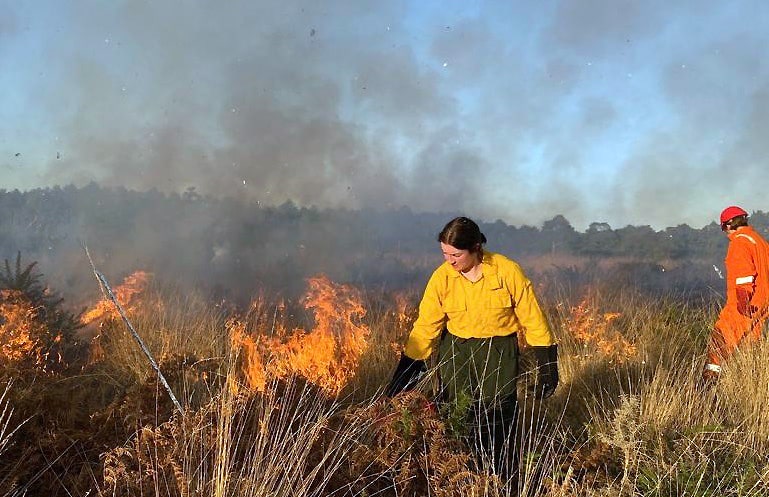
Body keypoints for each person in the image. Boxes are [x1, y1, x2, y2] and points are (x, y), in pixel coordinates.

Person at [385, 216, 558, 476]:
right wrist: (405, 373)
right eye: (444, 253)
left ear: (476, 247)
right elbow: (426, 327)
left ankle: (502, 479)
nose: (449, 260)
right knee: (456, 416)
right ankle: (459, 477)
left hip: (498, 352)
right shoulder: (442, 278)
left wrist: (548, 366)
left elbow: (533, 318)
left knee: (498, 419)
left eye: (456, 254)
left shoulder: (506, 271)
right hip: (457, 351)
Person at [703, 206, 769, 381]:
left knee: (720, 338)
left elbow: (744, 277)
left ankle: (708, 385)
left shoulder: (739, 242)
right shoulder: (759, 241)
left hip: (745, 303)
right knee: (748, 346)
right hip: (762, 302)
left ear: (729, 224)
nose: (725, 232)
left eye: (724, 227)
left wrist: (742, 302)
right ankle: (749, 384)